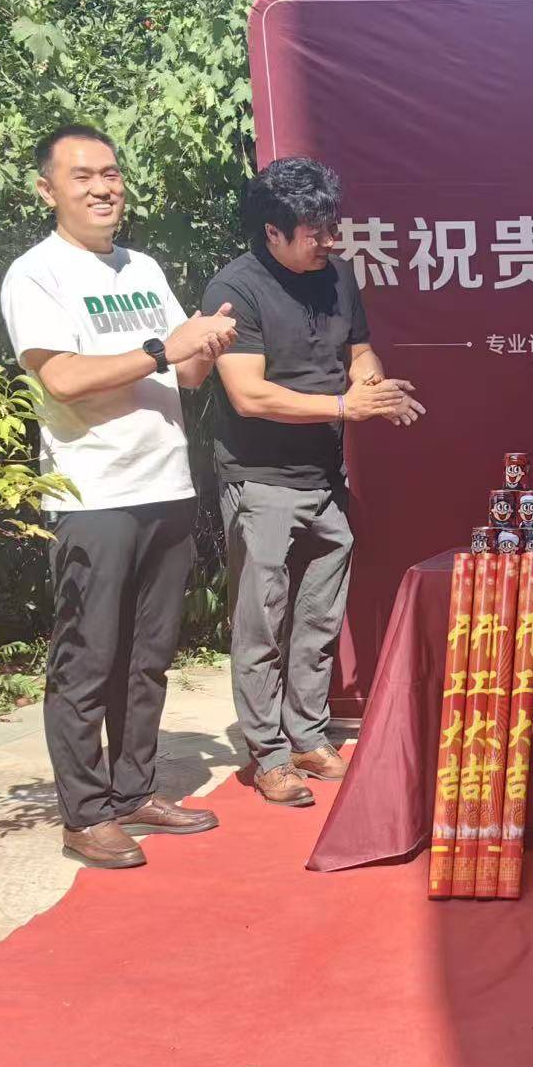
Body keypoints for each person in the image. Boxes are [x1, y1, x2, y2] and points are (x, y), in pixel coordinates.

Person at [0, 124, 239, 868]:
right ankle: (84, 813)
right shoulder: (36, 274)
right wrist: (164, 348)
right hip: (92, 493)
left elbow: (184, 373)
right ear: (48, 190)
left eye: (111, 173)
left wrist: (205, 345)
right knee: (88, 657)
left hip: (165, 482)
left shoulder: (143, 267)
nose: (103, 187)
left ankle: (134, 790)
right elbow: (63, 378)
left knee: (147, 655)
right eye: (83, 177)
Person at [205, 157, 423, 807]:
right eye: (314, 232)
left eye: (333, 227)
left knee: (319, 618)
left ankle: (307, 734)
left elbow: (360, 352)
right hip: (260, 479)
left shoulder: (338, 276)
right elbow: (248, 395)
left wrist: (371, 383)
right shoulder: (234, 289)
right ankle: (267, 753)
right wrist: (344, 407)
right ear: (272, 232)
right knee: (261, 623)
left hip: (325, 476)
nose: (329, 241)